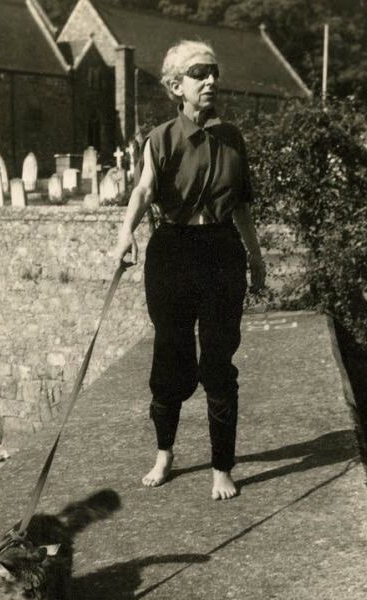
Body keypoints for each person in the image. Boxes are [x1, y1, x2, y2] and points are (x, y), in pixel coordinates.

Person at [110, 40, 266, 500]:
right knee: (171, 355)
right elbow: (142, 192)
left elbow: (241, 209)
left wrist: (256, 258)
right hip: (173, 252)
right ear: (177, 85)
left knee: (219, 360)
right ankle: (165, 453)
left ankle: (222, 466)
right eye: (201, 73)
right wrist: (125, 235)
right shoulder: (160, 139)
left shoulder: (233, 138)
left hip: (221, 252)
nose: (212, 81)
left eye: (215, 72)